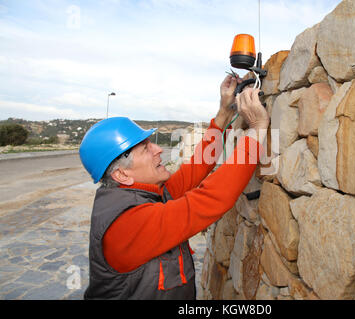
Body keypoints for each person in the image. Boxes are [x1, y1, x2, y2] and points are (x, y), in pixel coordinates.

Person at [79, 75, 269, 300]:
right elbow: (210, 198)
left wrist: (224, 112)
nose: (158, 149)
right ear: (122, 174)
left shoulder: (148, 192)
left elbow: (196, 168)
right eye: (145, 148)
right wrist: (256, 130)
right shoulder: (126, 225)